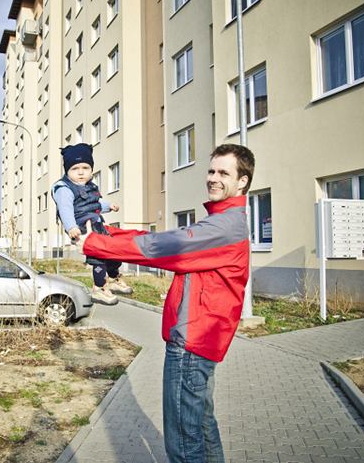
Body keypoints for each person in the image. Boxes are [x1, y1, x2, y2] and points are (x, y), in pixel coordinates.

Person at [82, 143, 255, 463]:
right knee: (201, 427)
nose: (213, 178)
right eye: (211, 170)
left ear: (242, 181)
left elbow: (162, 247)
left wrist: (95, 243)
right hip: (201, 340)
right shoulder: (223, 221)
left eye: (223, 173)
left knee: (184, 442)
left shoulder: (225, 226)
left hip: (192, 343)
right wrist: (110, 234)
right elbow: (165, 238)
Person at [52, 143, 134, 305]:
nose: (81, 172)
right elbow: (65, 209)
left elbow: (95, 204)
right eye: (75, 169)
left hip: (97, 224)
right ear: (67, 171)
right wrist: (71, 227)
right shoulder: (64, 189)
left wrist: (108, 206)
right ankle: (99, 288)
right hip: (82, 227)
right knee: (98, 257)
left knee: (111, 250)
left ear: (91, 170)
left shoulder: (90, 187)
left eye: (85, 168)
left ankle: (113, 278)